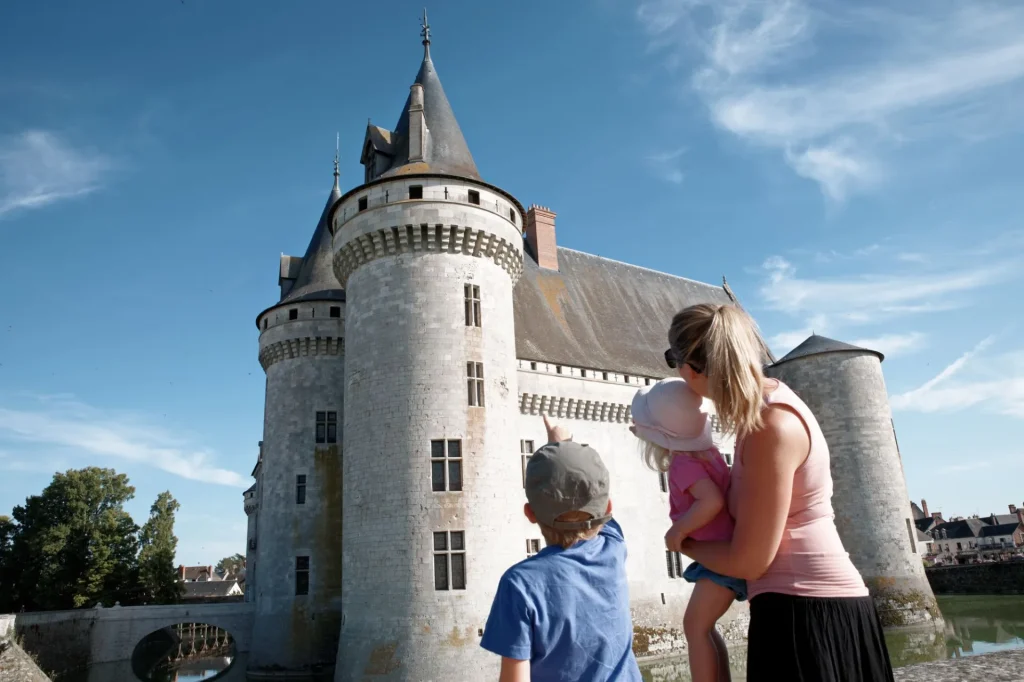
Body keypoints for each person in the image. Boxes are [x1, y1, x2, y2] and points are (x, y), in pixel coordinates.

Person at [666, 303, 895, 682]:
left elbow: (749, 562)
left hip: (808, 615)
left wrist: (681, 542)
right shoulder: (766, 411)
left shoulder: (769, 426)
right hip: (804, 606)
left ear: (690, 368)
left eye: (672, 359)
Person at [480, 415, 643, 682]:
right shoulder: (613, 548)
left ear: (529, 514)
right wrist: (564, 442)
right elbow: (605, 513)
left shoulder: (519, 584)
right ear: (608, 508)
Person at [629, 377, 746, 682]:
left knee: (695, 627)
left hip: (720, 560)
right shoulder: (709, 454)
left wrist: (677, 533)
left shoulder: (683, 464)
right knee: (702, 627)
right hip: (724, 554)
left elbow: (711, 502)